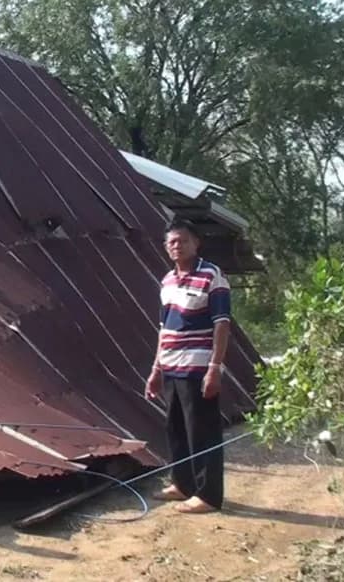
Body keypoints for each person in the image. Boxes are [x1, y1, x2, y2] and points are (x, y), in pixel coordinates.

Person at [145, 219, 230, 514]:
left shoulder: (211, 275)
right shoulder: (167, 281)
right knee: (176, 429)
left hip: (198, 366)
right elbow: (163, 328)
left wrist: (214, 368)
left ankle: (208, 496)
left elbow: (221, 324)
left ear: (196, 243)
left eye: (182, 240)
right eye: (171, 242)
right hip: (170, 366)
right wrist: (156, 370)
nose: (176, 246)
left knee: (202, 431)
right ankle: (183, 484)